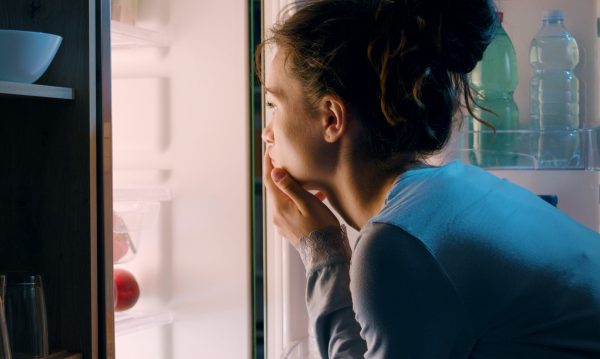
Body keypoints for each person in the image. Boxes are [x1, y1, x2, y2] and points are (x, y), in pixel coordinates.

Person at [258, 0, 600, 358]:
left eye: (273, 105)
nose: (266, 133)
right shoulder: (458, 187)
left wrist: (321, 251)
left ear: (331, 118)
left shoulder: (397, 246)